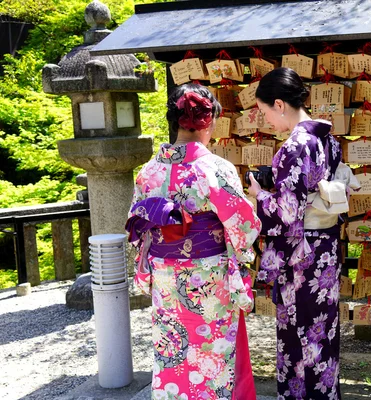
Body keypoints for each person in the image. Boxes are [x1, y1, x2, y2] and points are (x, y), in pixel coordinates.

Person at [125, 83, 261, 400]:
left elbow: (139, 229)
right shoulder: (214, 168)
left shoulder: (148, 171)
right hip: (208, 279)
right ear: (209, 120)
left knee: (172, 354)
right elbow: (243, 227)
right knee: (211, 358)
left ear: (174, 120)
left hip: (164, 277)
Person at [248, 67, 354, 400]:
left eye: (265, 112)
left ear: (279, 104)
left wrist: (258, 195)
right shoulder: (327, 138)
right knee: (322, 334)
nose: (267, 121)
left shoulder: (295, 145)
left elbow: (287, 212)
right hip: (326, 250)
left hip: (302, 257)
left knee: (299, 337)